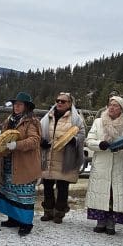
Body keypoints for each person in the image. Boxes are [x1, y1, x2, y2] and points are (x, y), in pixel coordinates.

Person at [85, 96, 123, 235]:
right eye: (110, 104)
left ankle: (112, 222)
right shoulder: (98, 122)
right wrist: (100, 144)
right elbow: (89, 140)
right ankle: (100, 221)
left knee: (115, 195)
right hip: (102, 163)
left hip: (120, 164)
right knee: (101, 193)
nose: (112, 107)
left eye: (116, 105)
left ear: (121, 109)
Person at [0, 92, 41, 236]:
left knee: (23, 194)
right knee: (10, 191)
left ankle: (26, 224)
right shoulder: (9, 120)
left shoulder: (32, 122)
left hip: (24, 163)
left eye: (20, 104)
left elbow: (35, 140)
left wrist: (17, 144)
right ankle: (13, 219)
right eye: (15, 104)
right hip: (10, 161)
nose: (16, 106)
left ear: (26, 106)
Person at [39, 92, 85, 223]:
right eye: (58, 100)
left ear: (70, 104)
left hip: (66, 157)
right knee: (47, 185)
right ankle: (48, 211)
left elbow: (82, 134)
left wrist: (74, 140)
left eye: (63, 101)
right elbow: (40, 131)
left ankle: (59, 213)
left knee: (63, 186)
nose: (59, 103)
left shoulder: (75, 119)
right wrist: (41, 141)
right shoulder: (48, 116)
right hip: (48, 155)